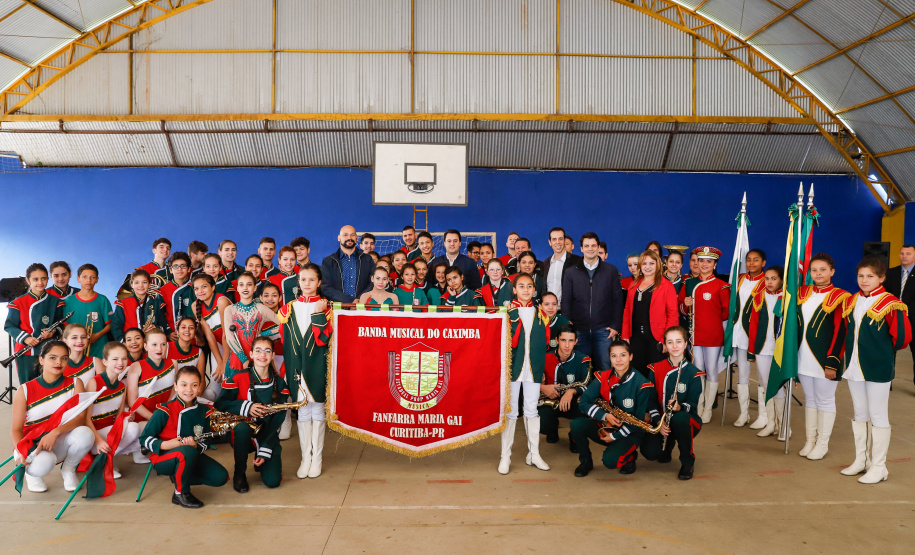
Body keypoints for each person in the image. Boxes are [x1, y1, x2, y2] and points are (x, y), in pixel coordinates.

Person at [840, 257, 911, 484]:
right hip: (854, 366)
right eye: (861, 276)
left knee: (878, 415)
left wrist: (879, 351)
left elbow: (902, 338)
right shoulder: (853, 300)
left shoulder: (891, 303)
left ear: (882, 278)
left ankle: (879, 466)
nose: (864, 280)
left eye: (870, 276)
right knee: (860, 413)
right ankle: (862, 460)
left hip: (877, 367)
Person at [139, 365, 229, 508]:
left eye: (194, 385)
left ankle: (180, 475)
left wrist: (196, 445)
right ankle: (181, 493)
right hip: (163, 457)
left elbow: (206, 441)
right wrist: (168, 445)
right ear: (175, 386)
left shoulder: (204, 412)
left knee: (221, 477)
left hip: (190, 454)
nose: (189, 389)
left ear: (200, 387)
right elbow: (144, 439)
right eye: (184, 385)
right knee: (185, 452)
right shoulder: (164, 410)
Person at [10, 340, 94, 493]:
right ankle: (32, 475)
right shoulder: (25, 390)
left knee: (85, 434)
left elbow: (81, 418)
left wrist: (55, 433)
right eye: (52, 357)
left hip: (59, 439)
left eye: (63, 358)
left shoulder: (76, 383)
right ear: (41, 359)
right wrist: (22, 451)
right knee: (44, 463)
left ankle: (68, 469)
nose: (58, 362)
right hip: (33, 444)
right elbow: (16, 429)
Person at [278, 263, 333, 479]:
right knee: (302, 411)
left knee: (317, 410)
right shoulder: (287, 309)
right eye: (303, 279)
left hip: (317, 365)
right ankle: (305, 458)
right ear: (298, 282)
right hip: (295, 367)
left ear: (319, 283)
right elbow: (286, 341)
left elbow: (323, 340)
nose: (307, 284)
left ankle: (317, 458)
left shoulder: (326, 308)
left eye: (312, 280)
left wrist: (319, 312)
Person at [569, 339, 654, 477]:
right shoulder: (603, 377)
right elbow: (584, 402)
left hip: (631, 431)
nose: (618, 360)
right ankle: (585, 461)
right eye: (614, 356)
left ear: (631, 356)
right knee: (577, 425)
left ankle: (630, 455)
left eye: (623, 355)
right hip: (608, 423)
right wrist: (605, 415)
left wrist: (614, 437)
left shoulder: (642, 384)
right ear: (609, 358)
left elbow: (638, 422)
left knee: (610, 462)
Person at [215, 337, 290, 492]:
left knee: (272, 481)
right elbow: (220, 404)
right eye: (258, 350)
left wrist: (265, 448)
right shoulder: (237, 377)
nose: (262, 355)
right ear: (251, 354)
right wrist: (245, 406)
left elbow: (277, 421)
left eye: (267, 351)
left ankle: (262, 460)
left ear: (273, 355)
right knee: (241, 429)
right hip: (245, 433)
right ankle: (239, 473)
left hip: (267, 434)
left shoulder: (280, 384)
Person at [796, 253, 850, 460]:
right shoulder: (803, 292)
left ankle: (822, 443)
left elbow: (840, 331)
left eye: (823, 270)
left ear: (832, 271)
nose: (818, 274)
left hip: (824, 358)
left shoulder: (840, 296)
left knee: (825, 400)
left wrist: (833, 361)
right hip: (804, 356)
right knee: (810, 399)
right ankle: (810, 439)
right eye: (814, 270)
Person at [498, 273, 550, 474]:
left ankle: (534, 454)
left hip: (533, 369)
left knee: (531, 410)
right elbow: (509, 342)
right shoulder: (506, 312)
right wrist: (512, 316)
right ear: (514, 289)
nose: (526, 289)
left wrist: (540, 369)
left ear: (534, 290)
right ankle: (505, 456)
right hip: (513, 369)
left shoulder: (541, 314)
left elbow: (543, 343)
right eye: (521, 286)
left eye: (529, 286)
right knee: (511, 412)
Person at [640, 326, 703, 480]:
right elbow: (651, 400)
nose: (675, 346)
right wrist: (657, 423)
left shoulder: (694, 373)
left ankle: (687, 461)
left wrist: (679, 407)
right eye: (670, 342)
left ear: (686, 343)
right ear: (665, 345)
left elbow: (692, 405)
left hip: (687, 422)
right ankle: (667, 445)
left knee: (680, 418)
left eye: (678, 341)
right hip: (662, 423)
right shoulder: (655, 368)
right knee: (650, 452)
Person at [561, 232, 625, 372]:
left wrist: (615, 325)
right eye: (587, 246)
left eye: (593, 245)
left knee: (605, 368)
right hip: (578, 330)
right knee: (580, 370)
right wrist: (569, 327)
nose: (590, 248)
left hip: (604, 331)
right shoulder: (571, 272)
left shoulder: (611, 271)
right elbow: (566, 301)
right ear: (581, 248)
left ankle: (605, 394)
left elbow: (618, 301)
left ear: (598, 247)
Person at [680, 247, 729, 424]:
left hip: (713, 334)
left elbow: (726, 313)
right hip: (695, 334)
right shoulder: (689, 283)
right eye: (701, 260)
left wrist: (711, 321)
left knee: (712, 370)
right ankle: (698, 405)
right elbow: (683, 310)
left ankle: (708, 408)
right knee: (698, 369)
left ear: (715, 264)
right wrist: (686, 305)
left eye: (709, 261)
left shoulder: (722, 286)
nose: (704, 264)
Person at [84, 341, 142, 477]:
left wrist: (128, 417)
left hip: (110, 434)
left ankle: (107, 459)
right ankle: (103, 459)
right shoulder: (94, 383)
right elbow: (84, 418)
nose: (120, 362)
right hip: (92, 436)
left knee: (135, 428)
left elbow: (119, 417)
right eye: (115, 359)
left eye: (123, 358)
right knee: (132, 429)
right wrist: (98, 440)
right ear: (105, 361)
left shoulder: (122, 387)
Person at [125, 328, 177, 468]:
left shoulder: (173, 363)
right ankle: (140, 447)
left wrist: (166, 415)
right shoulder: (136, 367)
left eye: (163, 344)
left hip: (164, 414)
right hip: (143, 419)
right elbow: (133, 402)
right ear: (146, 346)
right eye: (154, 345)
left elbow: (172, 394)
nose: (159, 348)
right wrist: (156, 419)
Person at [622, 250, 678, 377]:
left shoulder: (666, 285)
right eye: (644, 263)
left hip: (657, 338)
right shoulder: (633, 284)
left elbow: (673, 315)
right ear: (640, 266)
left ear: (658, 265)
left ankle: (656, 398)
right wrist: (625, 335)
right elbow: (627, 311)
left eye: (651, 263)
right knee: (637, 372)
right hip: (635, 337)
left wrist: (666, 340)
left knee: (656, 374)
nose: (648, 267)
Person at [5, 263, 63, 384]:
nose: (40, 282)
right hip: (26, 351)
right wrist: (25, 338)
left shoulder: (55, 301)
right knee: (28, 385)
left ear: (48, 279)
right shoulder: (18, 302)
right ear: (28, 280)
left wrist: (53, 332)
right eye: (35, 279)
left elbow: (61, 325)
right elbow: (9, 326)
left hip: (48, 350)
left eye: (43, 278)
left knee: (49, 384)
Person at [747, 266, 786, 439]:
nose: (769, 282)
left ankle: (784, 425)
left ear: (782, 280)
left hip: (779, 349)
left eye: (774, 278)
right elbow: (753, 325)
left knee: (778, 385)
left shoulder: (786, 299)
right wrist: (751, 350)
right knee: (764, 384)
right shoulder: (759, 298)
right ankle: (771, 423)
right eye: (767, 278)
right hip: (762, 348)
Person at [730, 248, 767, 428]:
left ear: (763, 263)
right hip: (739, 333)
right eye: (749, 260)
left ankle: (764, 415)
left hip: (757, 334)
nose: (752, 263)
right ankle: (744, 414)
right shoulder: (741, 279)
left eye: (756, 260)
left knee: (762, 376)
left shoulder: (767, 282)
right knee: (742, 374)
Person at [538, 324, 591, 447]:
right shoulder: (544, 358)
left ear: (576, 341)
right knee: (542, 424)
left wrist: (571, 391)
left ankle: (575, 436)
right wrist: (542, 387)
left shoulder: (583, 359)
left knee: (588, 410)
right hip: (549, 401)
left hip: (572, 401)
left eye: (571, 341)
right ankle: (552, 430)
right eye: (563, 340)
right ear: (556, 340)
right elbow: (528, 382)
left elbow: (588, 385)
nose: (567, 345)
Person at [222, 272, 280, 379]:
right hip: (237, 358)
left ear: (254, 288)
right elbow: (230, 338)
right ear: (237, 288)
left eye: (249, 284)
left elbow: (283, 324)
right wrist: (243, 359)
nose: (245, 287)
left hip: (257, 356)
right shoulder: (230, 309)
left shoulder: (261, 308)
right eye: (241, 284)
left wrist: (263, 334)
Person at [63, 264, 113, 358]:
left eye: (92, 277)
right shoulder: (69, 301)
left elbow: (109, 324)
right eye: (84, 277)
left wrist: (96, 336)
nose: (88, 280)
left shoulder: (102, 300)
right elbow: (66, 327)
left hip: (99, 346)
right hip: (76, 348)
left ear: (97, 280)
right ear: (78, 279)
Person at [883, 243, 915, 387]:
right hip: (894, 318)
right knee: (890, 352)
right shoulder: (890, 273)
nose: (904, 256)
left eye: (908, 253)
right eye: (902, 253)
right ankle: (886, 382)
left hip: (913, 319)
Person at [321, 225, 375, 302]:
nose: (349, 238)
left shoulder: (367, 259)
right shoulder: (328, 261)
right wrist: (349, 301)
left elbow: (372, 282)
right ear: (339, 238)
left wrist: (360, 299)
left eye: (352, 235)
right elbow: (325, 287)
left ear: (356, 238)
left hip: (362, 307)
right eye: (345, 235)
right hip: (337, 309)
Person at [111, 269, 166, 342]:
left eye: (144, 282)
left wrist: (156, 327)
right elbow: (115, 327)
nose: (141, 285)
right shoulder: (122, 303)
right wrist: (124, 342)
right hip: (129, 345)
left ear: (149, 284)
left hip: (151, 344)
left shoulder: (157, 304)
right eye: (136, 282)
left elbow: (163, 325)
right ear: (132, 285)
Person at [158, 252, 195, 341]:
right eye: (175, 266)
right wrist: (168, 332)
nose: (179, 269)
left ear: (189, 269)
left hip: (193, 334)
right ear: (170, 270)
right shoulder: (163, 290)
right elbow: (160, 315)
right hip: (173, 335)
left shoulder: (195, 286)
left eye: (183, 266)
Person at [543, 227, 581, 305]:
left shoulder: (577, 261)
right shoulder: (546, 262)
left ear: (564, 241)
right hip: (547, 312)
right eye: (554, 239)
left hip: (569, 313)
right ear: (550, 242)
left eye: (560, 239)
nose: (558, 242)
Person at [168, 317, 206, 385]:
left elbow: (202, 381)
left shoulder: (199, 352)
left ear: (195, 332)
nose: (187, 330)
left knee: (210, 393)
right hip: (170, 391)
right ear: (177, 331)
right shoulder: (166, 348)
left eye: (191, 328)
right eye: (183, 327)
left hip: (189, 392)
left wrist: (195, 394)